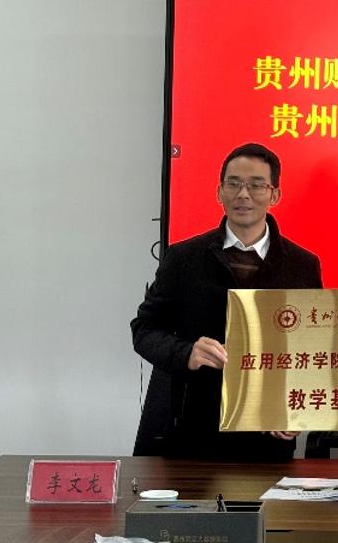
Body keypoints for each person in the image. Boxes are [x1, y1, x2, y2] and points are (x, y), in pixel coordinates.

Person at [131, 142, 322, 461]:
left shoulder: (302, 265)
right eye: (233, 184)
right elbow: (144, 330)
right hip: (195, 431)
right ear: (219, 191)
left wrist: (297, 411)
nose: (243, 194)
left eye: (256, 185)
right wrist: (186, 352)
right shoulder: (183, 258)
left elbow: (314, 349)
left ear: (274, 194)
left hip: (267, 440)